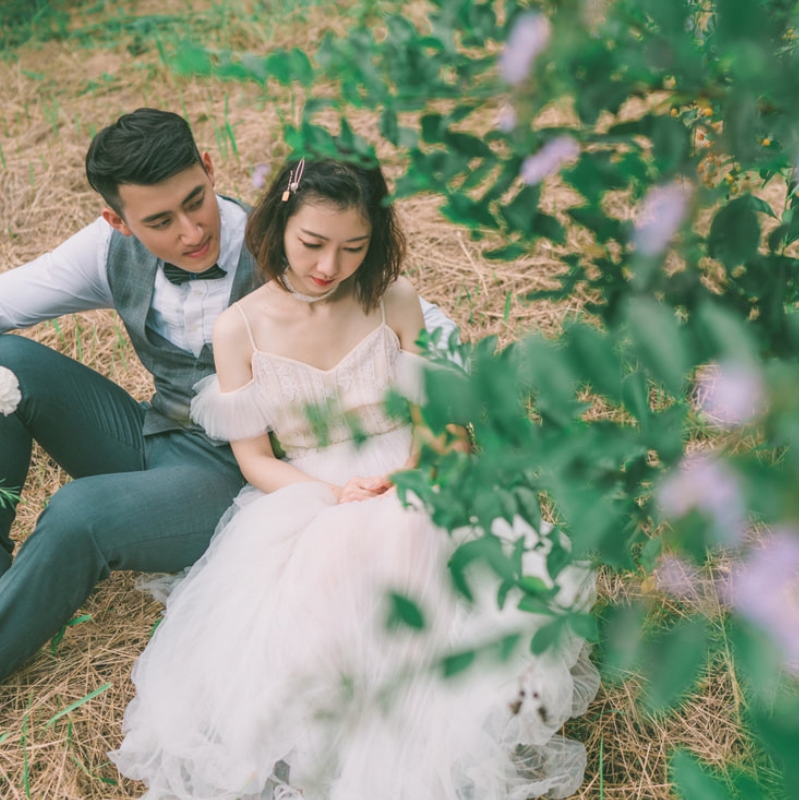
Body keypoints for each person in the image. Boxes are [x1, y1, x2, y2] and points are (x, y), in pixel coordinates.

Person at [0, 110, 458, 800]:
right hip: (152, 436)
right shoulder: (108, 251)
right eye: (159, 221)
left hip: (234, 476)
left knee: (79, 515)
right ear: (118, 220)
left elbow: (411, 327)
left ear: (211, 170)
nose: (189, 232)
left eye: (195, 202)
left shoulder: (290, 243)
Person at [109, 156, 599, 799]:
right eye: (312, 243)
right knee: (334, 564)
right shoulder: (240, 328)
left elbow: (437, 421)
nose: (328, 267)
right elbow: (255, 458)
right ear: (278, 225)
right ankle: (335, 732)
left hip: (412, 465)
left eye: (353, 248)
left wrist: (416, 472)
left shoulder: (393, 298)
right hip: (309, 486)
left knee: (407, 532)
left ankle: (411, 724)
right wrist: (331, 495)